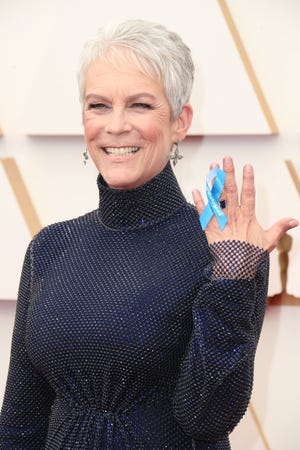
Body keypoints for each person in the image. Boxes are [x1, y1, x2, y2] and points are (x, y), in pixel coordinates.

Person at [0, 19, 298, 450]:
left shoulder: (228, 253)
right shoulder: (50, 248)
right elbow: (19, 423)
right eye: (98, 105)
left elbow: (207, 416)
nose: (116, 125)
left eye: (140, 105)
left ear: (180, 121)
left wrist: (232, 279)